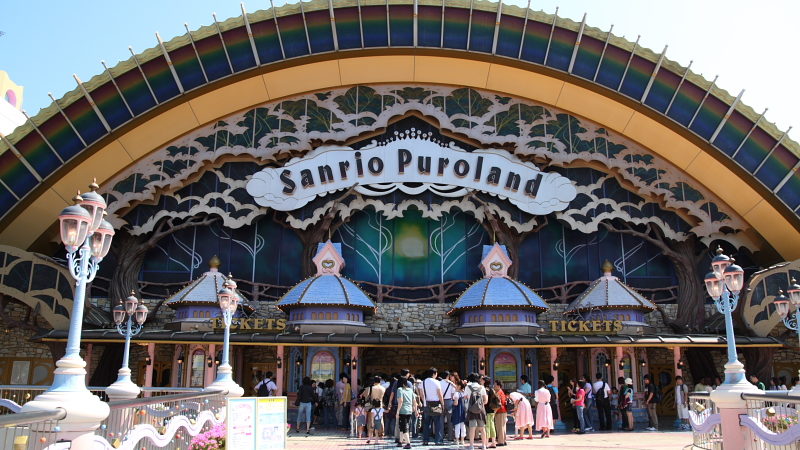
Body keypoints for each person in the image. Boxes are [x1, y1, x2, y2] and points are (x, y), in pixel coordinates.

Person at [422, 368, 445, 446]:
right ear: (434, 374)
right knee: (438, 423)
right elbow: (439, 394)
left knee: (426, 424)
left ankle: (425, 440)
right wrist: (442, 403)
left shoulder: (423, 382)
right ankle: (438, 441)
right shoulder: (436, 382)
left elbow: (421, 393)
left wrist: (424, 401)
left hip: (426, 403)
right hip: (436, 403)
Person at [465, 372, 489, 449]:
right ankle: (484, 445)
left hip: (471, 410)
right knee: (482, 428)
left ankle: (471, 445)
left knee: (472, 428)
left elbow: (465, 398)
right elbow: (485, 400)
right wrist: (479, 405)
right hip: (480, 410)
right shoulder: (481, 387)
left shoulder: (468, 387)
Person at [361, 376, 386, 444]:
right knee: (380, 419)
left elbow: (365, 396)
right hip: (380, 405)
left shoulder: (371, 388)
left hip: (372, 406)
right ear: (380, 381)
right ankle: (381, 434)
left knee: (370, 420)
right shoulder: (383, 388)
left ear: (374, 381)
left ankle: (370, 435)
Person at [397, 377, 418, 449]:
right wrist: (416, 410)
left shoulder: (400, 389)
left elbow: (400, 401)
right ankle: (400, 442)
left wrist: (397, 411)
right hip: (409, 411)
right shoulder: (410, 390)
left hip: (402, 411)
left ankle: (408, 443)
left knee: (404, 427)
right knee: (403, 426)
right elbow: (414, 401)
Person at [441, 370, 457, 442]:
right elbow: (453, 394)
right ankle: (450, 437)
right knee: (450, 420)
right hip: (449, 401)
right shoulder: (450, 384)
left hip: (441, 401)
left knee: (440, 420)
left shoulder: (439, 383)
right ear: (448, 376)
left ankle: (440, 436)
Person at [492, 380, 508, 446]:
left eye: (495, 385)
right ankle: (503, 440)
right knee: (503, 426)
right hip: (503, 411)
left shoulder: (498, 393)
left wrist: (494, 412)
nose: (493, 386)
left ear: (498, 386)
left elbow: (499, 404)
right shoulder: (501, 392)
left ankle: (501, 441)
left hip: (500, 411)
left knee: (499, 427)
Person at [484, 377, 498, 448]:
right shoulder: (492, 389)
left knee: (487, 426)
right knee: (492, 426)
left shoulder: (486, 390)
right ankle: (493, 442)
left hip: (487, 410)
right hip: (492, 409)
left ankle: (486, 443)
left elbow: (485, 401)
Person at [452, 380, 467, 447]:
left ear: (459, 386)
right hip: (463, 410)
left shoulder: (456, 393)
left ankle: (457, 440)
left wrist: (453, 402)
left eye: (456, 385)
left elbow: (456, 403)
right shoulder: (464, 393)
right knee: (462, 425)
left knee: (457, 425)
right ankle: (462, 440)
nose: (455, 386)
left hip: (457, 410)